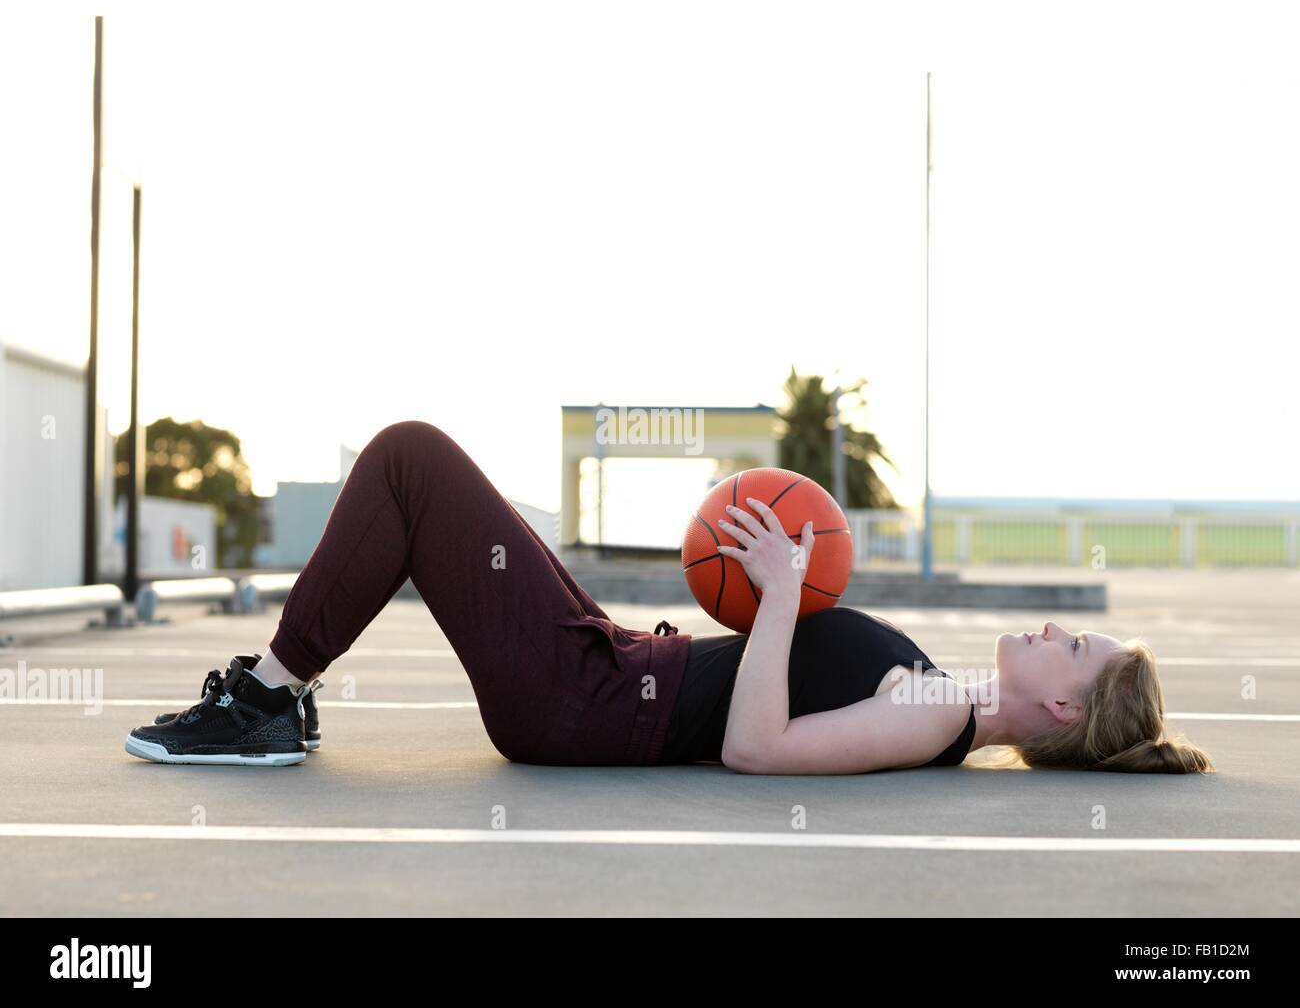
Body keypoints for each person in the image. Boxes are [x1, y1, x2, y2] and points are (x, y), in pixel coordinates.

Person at [124, 421, 1212, 775]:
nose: (1051, 630)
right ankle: (283, 695)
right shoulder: (941, 697)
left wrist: (782, 594)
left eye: (1071, 645)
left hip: (585, 701)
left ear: (1062, 711)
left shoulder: (941, 712)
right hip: (611, 665)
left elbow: (755, 751)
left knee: (411, 459)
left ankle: (263, 703)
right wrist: (768, 601)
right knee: (448, 493)